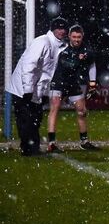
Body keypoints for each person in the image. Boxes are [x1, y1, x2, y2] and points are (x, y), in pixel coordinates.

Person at [6, 16, 69, 156]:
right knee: (26, 120)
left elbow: (47, 74)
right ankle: (29, 150)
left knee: (35, 119)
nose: (62, 31)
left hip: (35, 90)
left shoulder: (58, 46)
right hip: (22, 88)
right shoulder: (42, 42)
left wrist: (44, 93)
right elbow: (29, 66)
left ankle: (32, 148)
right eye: (59, 28)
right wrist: (27, 89)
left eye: (64, 28)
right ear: (53, 29)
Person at [46, 25, 100, 153]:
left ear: (82, 37)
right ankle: (51, 143)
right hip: (58, 81)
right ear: (69, 36)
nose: (76, 39)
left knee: (82, 111)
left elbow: (92, 64)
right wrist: (77, 59)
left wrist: (92, 84)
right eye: (74, 37)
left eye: (79, 37)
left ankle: (84, 141)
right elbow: (66, 65)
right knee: (54, 109)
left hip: (73, 82)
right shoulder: (62, 48)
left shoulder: (86, 50)